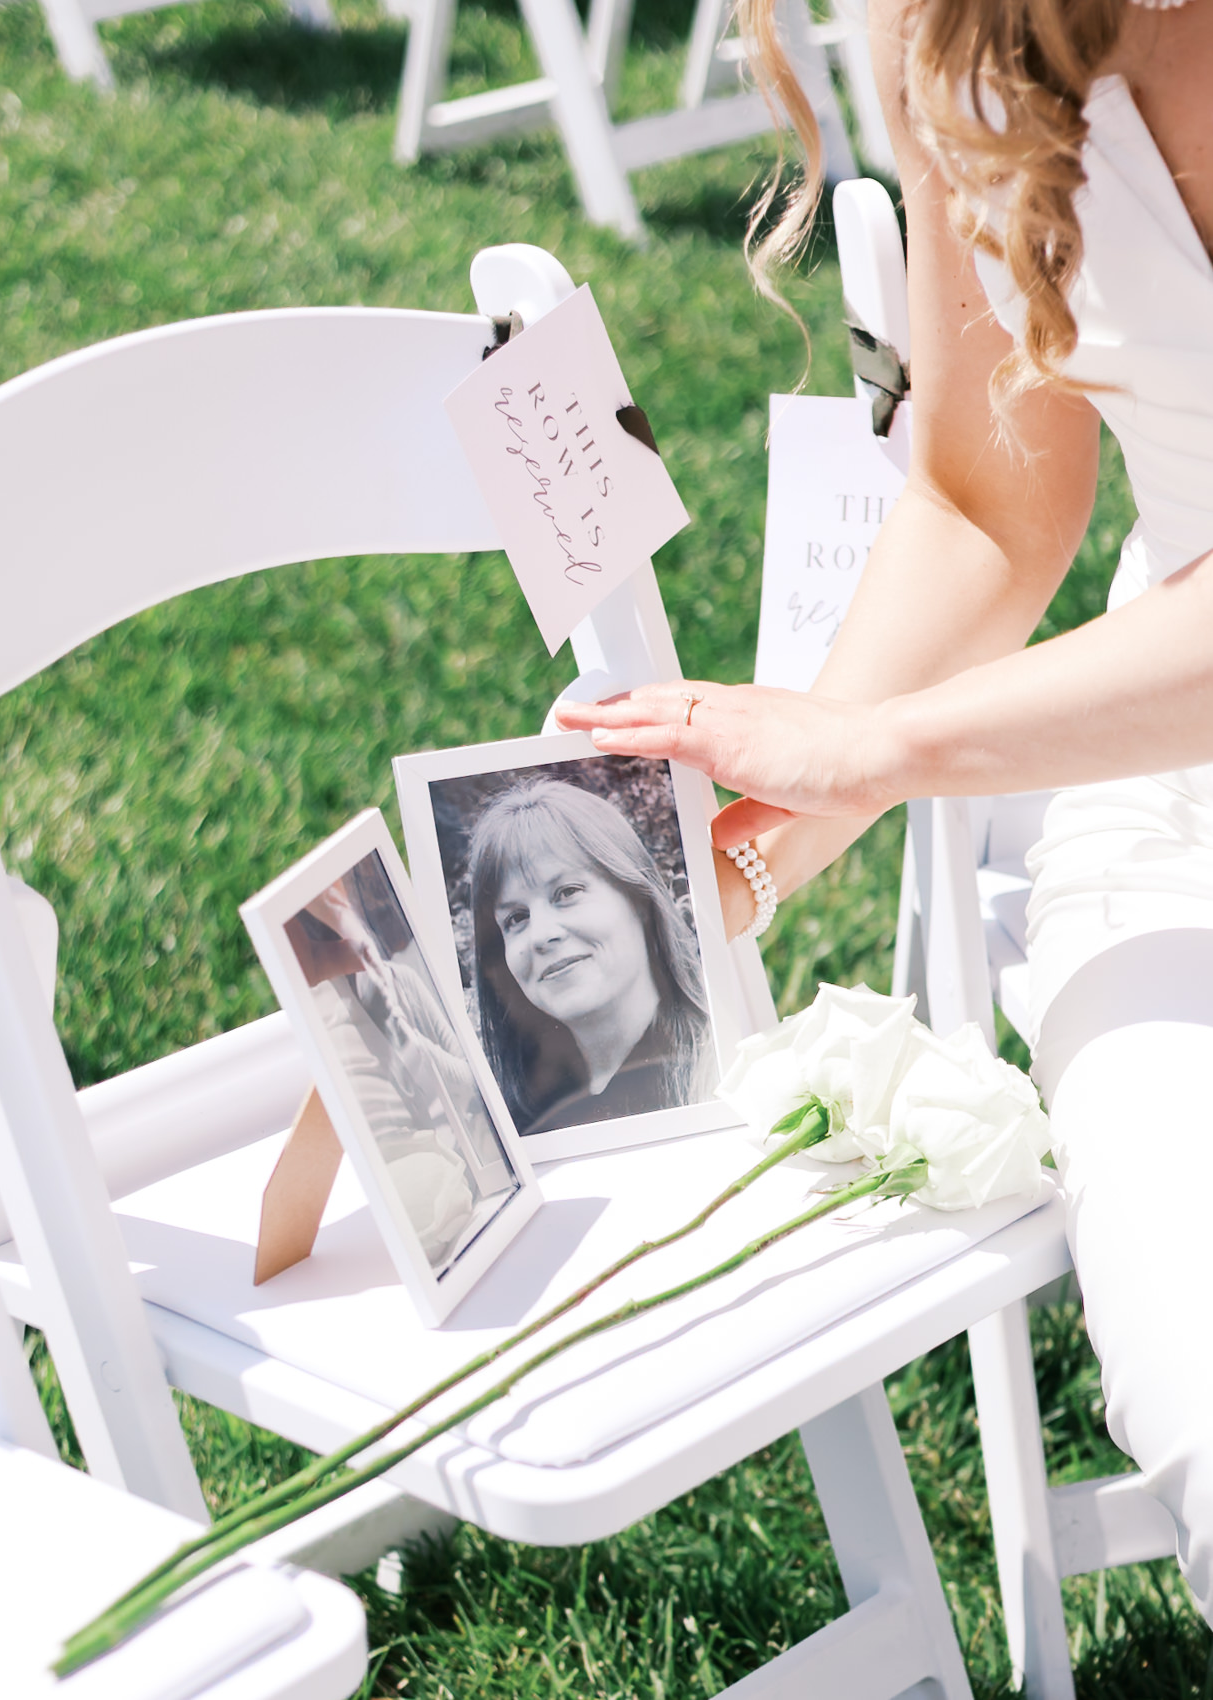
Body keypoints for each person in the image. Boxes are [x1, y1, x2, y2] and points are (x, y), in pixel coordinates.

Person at [556, 0, 1213, 1626]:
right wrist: (750, 837)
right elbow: (989, 495)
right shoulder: (945, 20)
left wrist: (885, 748)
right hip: (1175, 815)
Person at [466, 778, 714, 1135]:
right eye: (516, 918)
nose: (542, 934)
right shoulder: (505, 1122)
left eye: (567, 892)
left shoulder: (722, 1073)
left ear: (639, 899)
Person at [288, 876, 514, 1266]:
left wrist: (405, 1034)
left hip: (466, 1168)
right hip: (397, 1176)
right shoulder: (325, 1016)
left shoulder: (401, 984)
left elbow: (471, 1081)